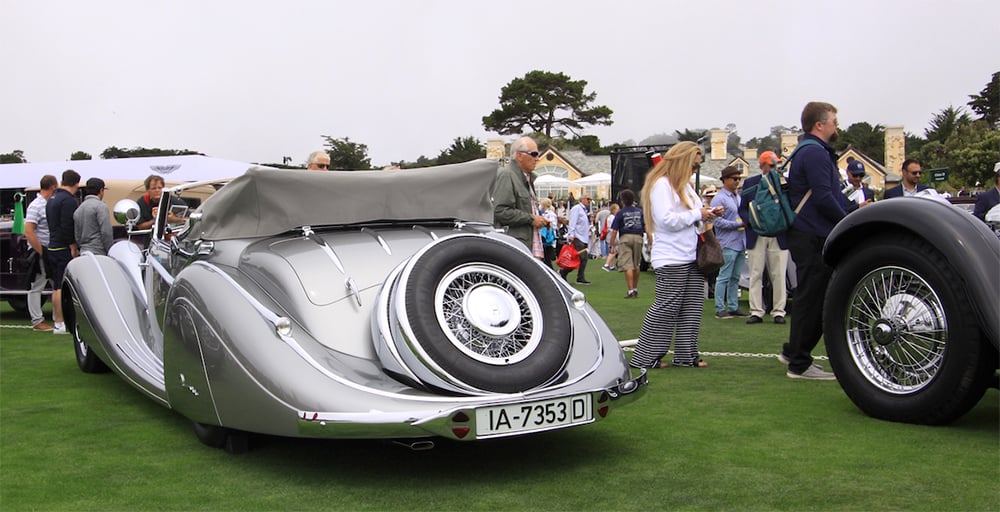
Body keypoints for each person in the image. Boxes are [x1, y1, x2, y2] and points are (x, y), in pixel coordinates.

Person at [630, 142, 719, 369]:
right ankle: (644, 357)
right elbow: (666, 220)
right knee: (666, 307)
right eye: (694, 165)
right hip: (671, 257)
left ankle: (686, 356)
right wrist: (698, 213)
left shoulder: (684, 187)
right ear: (683, 162)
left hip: (690, 255)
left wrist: (706, 215)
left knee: (692, 307)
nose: (695, 170)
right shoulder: (662, 185)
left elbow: (688, 218)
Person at [779, 101, 846, 380]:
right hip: (812, 232)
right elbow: (823, 196)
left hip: (806, 230)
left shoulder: (807, 150)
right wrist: (848, 220)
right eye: (833, 121)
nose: (836, 126)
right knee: (814, 296)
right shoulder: (816, 153)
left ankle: (794, 351)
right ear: (820, 124)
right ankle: (799, 362)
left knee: (810, 294)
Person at [739, 151, 789, 325]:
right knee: (755, 273)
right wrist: (752, 221)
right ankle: (756, 310)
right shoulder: (751, 183)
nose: (776, 168)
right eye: (772, 165)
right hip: (756, 233)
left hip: (778, 233)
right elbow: (743, 208)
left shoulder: (784, 183)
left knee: (779, 273)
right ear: (763, 165)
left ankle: (779, 311)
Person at [492, 136, 549, 257]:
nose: (537, 159)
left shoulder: (528, 179)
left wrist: (537, 219)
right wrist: (531, 219)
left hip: (529, 247)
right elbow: (500, 211)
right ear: (519, 156)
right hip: (516, 248)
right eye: (533, 154)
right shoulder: (506, 175)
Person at [45, 169, 82, 335]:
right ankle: (59, 322)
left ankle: (57, 320)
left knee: (56, 286)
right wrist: (73, 245)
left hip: (52, 245)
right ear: (76, 183)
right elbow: (67, 225)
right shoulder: (68, 200)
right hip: (62, 247)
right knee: (60, 286)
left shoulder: (51, 198)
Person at [711, 165, 748, 319]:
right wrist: (737, 224)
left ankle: (733, 306)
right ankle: (720, 307)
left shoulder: (738, 197)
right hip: (727, 242)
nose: (737, 181)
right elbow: (716, 220)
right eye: (734, 179)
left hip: (740, 242)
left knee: (735, 277)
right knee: (724, 276)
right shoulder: (719, 198)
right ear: (725, 180)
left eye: (739, 179)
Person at [24, 174, 58, 332]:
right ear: (52, 187)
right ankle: (37, 320)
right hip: (41, 250)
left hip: (49, 249)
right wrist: (41, 252)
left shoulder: (48, 204)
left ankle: (58, 319)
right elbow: (29, 232)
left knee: (55, 284)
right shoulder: (36, 205)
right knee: (37, 286)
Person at [608, 189, 644, 298]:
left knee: (628, 264)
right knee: (636, 264)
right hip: (638, 237)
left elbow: (614, 230)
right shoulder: (639, 211)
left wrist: (612, 244)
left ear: (622, 201)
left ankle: (630, 290)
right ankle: (635, 288)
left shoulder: (621, 213)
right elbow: (645, 225)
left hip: (625, 237)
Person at [74, 177, 114, 256]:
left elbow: (77, 235)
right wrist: (110, 250)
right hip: (99, 251)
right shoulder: (101, 206)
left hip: (84, 252)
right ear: (101, 190)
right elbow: (106, 232)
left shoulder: (79, 209)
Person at [560, 194, 593, 285]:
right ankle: (566, 272)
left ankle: (576, 275)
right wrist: (571, 234)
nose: (589, 201)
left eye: (590, 199)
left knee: (582, 258)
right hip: (578, 237)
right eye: (587, 199)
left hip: (584, 237)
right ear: (582, 199)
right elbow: (572, 222)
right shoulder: (577, 209)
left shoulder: (584, 210)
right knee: (580, 257)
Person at [539, 197, 559, 267]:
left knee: (547, 259)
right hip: (545, 239)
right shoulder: (544, 214)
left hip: (548, 239)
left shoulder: (550, 214)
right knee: (546, 259)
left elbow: (553, 225)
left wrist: (544, 224)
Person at [602, 203, 620, 272]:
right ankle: (606, 264)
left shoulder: (610, 217)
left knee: (613, 250)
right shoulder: (612, 218)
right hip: (612, 236)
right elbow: (613, 229)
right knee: (614, 251)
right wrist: (614, 238)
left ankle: (611, 266)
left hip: (610, 235)